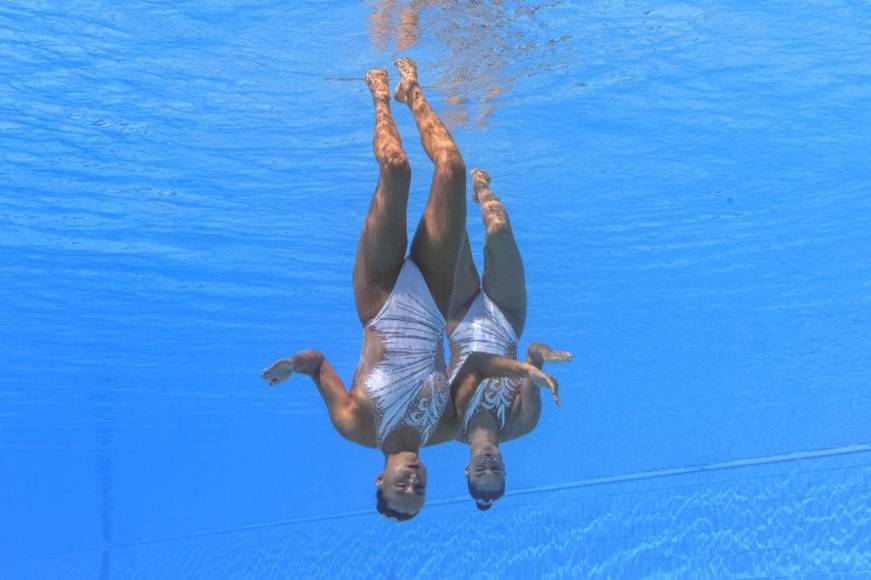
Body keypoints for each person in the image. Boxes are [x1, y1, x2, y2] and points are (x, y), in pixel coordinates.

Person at [261, 59, 552, 520]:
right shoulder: (446, 430)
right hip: (435, 300)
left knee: (396, 169)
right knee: (452, 168)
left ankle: (379, 99)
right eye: (420, 490)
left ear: (380, 479)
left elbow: (317, 364)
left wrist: (291, 366)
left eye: (402, 487)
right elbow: (475, 367)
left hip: (378, 299)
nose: (413, 480)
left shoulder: (355, 427)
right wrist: (526, 367)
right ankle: (411, 94)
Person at [447, 168, 573, 510]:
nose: (489, 464)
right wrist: (546, 357)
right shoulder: (522, 422)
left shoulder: (447, 423)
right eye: (497, 471)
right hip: (505, 316)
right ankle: (483, 189)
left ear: (466, 470)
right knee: (499, 229)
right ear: (505, 468)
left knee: (450, 230)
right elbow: (532, 352)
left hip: (457, 318)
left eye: (480, 471)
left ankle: (450, 175)